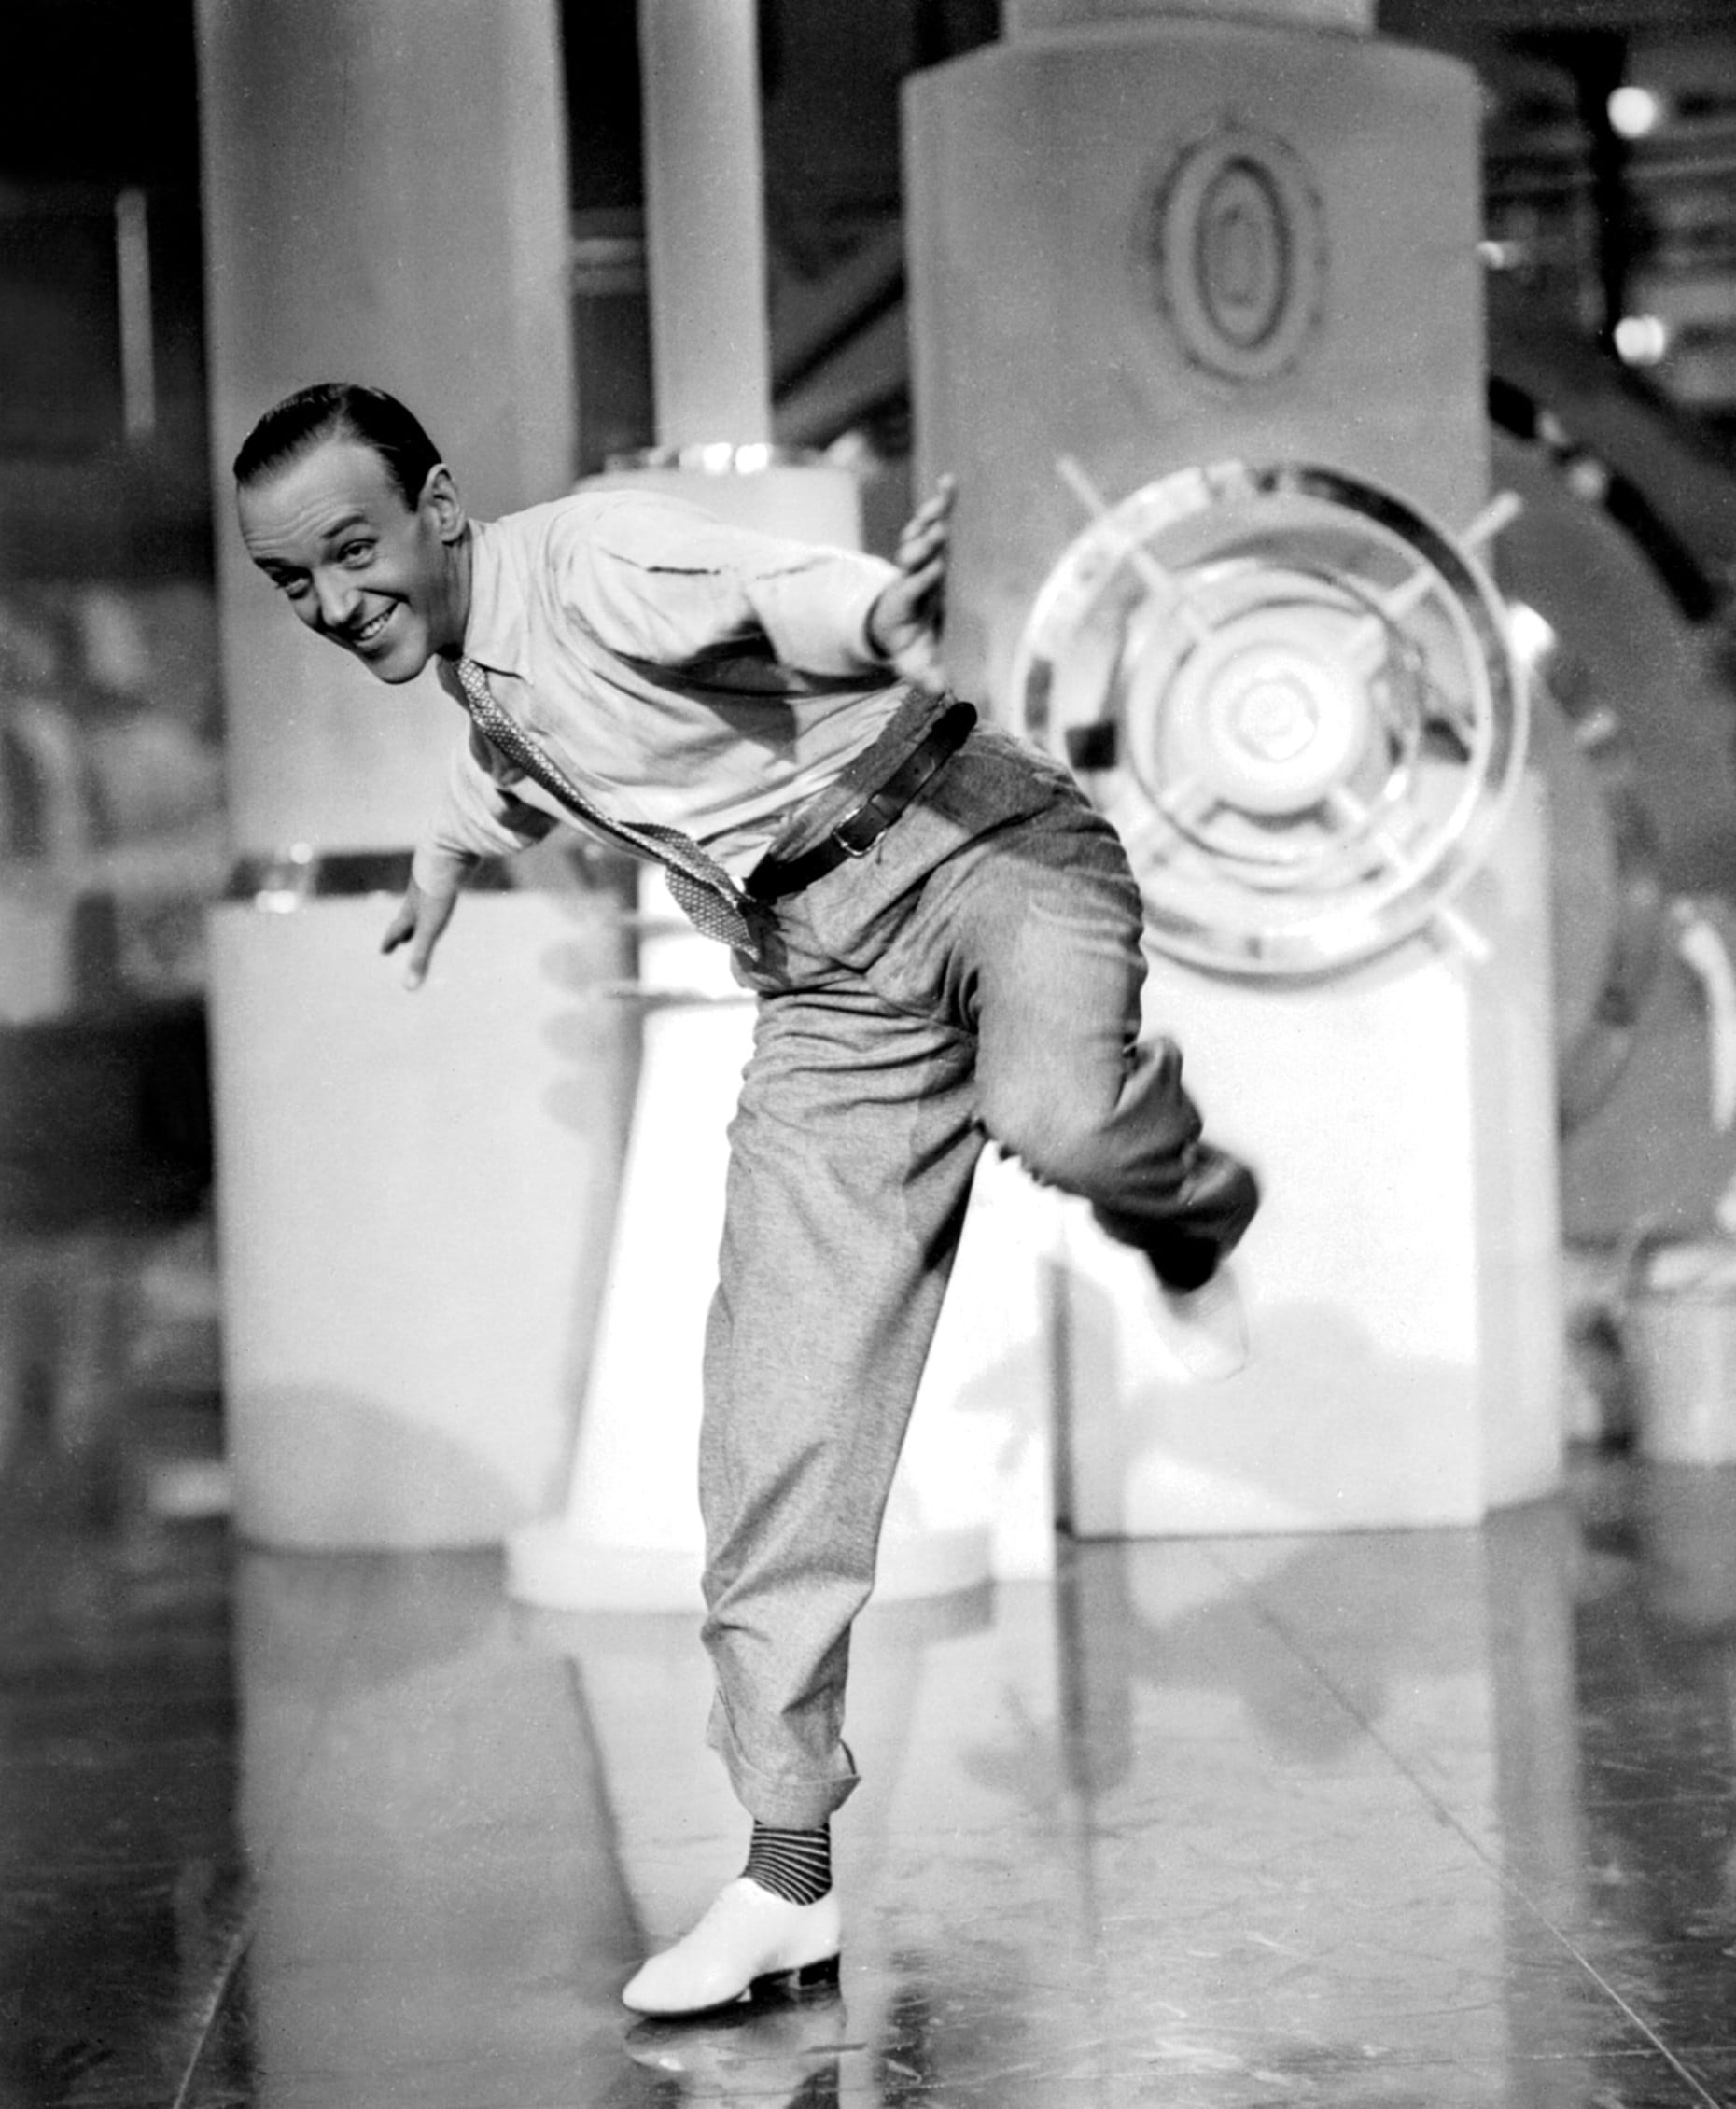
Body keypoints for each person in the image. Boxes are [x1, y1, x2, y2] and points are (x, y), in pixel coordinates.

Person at [232, 381, 1259, 2018]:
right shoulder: (482, 666)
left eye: (351, 553)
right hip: (826, 984)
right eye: (292, 581)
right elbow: (509, 765)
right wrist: (438, 867)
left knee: (1059, 1119)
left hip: (982, 855)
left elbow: (763, 593)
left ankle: (1188, 1210)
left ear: (437, 506)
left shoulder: (595, 563)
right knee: (774, 1418)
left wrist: (879, 614)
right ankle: (788, 1882)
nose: (333, 602)